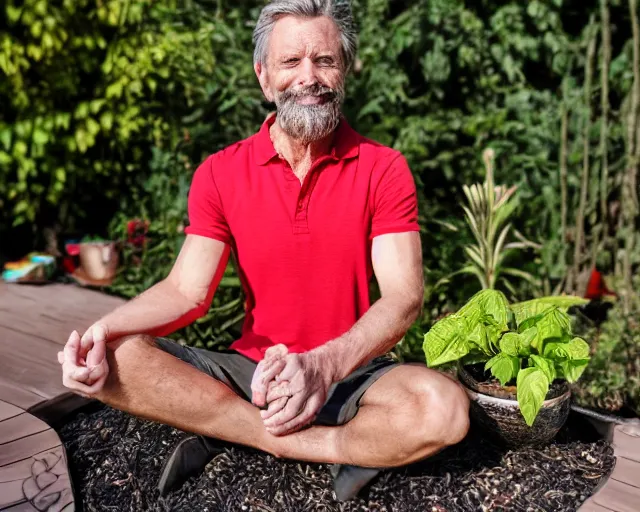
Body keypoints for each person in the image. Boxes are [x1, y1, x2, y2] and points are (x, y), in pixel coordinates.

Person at [58, 0, 470, 501]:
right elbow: (187, 292)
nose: (309, 76)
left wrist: (323, 365)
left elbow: (403, 297)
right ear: (263, 77)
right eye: (291, 62)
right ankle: (313, 445)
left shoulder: (382, 168)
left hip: (351, 373)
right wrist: (100, 333)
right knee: (116, 359)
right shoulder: (220, 172)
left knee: (443, 409)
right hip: (250, 371)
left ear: (344, 70)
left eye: (324, 60)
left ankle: (235, 431)